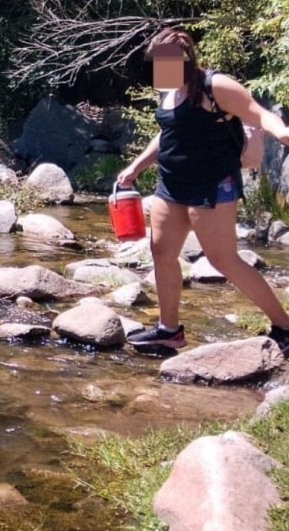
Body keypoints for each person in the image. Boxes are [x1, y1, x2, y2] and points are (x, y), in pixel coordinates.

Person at [117, 27, 289, 352]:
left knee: (224, 260)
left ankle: (284, 326)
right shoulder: (166, 88)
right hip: (171, 184)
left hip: (212, 184)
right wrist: (136, 167)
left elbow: (258, 113)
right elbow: (169, 130)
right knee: (162, 254)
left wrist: (282, 133)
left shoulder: (215, 86)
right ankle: (169, 330)